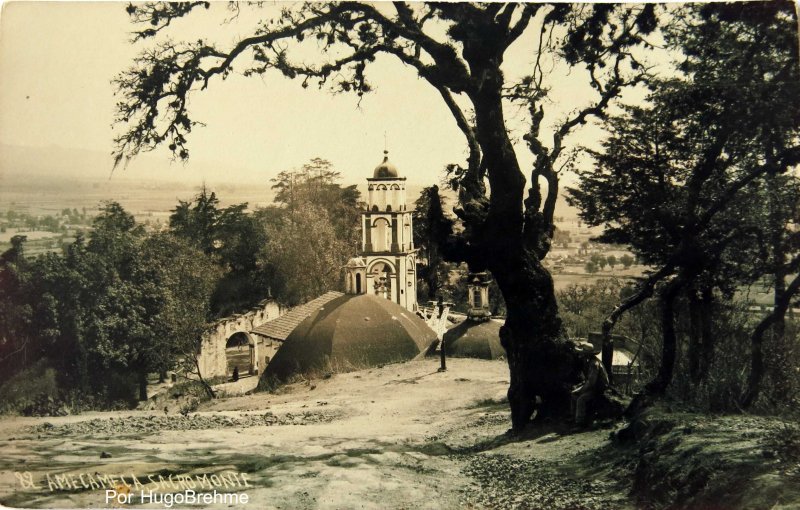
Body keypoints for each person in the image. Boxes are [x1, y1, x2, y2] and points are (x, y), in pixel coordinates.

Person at [571, 342, 610, 427]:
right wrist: (579, 387)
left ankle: (579, 423)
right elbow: (587, 380)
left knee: (581, 399)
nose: (581, 355)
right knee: (573, 394)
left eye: (583, 353)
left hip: (598, 388)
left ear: (587, 354)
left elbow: (591, 382)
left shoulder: (594, 364)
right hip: (593, 386)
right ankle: (573, 417)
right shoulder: (588, 362)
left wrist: (581, 390)